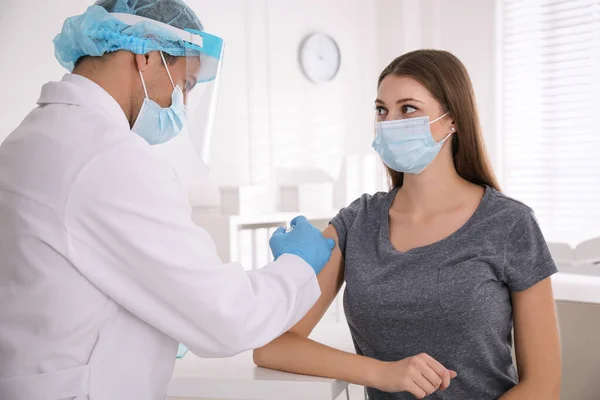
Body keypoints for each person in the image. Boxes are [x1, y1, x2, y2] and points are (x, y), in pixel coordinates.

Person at [0, 1, 335, 399]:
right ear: (146, 55)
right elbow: (228, 317)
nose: (183, 104)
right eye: (186, 84)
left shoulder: (28, 138)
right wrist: (296, 266)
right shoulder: (111, 157)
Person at [253, 50, 562, 399]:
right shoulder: (358, 222)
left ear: (453, 119)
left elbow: (543, 385)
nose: (390, 122)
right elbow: (272, 346)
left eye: (408, 109)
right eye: (382, 110)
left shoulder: (509, 224)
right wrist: (382, 373)